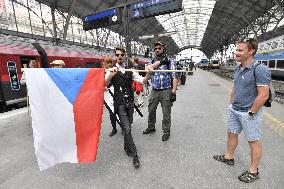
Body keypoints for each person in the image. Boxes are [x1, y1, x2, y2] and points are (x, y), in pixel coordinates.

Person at [213, 38, 271, 183]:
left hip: (248, 112)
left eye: (240, 50)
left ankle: (254, 171)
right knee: (232, 133)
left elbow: (264, 94)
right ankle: (229, 157)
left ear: (251, 51)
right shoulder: (239, 68)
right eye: (236, 50)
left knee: (253, 141)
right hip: (235, 109)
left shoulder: (260, 69)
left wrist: (252, 112)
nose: (236, 53)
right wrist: (231, 104)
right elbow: (235, 87)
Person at [105, 47, 152, 168]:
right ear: (115, 56)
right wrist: (111, 75)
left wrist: (149, 73)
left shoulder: (130, 70)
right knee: (128, 129)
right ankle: (135, 155)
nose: (119, 56)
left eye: (121, 54)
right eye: (117, 55)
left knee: (128, 127)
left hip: (130, 103)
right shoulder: (111, 70)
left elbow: (143, 80)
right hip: (120, 104)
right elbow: (102, 84)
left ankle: (126, 147)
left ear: (125, 56)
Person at [142, 41, 179, 141]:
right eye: (156, 49)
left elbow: (175, 75)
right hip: (154, 90)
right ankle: (151, 127)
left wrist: (174, 91)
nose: (157, 50)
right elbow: (147, 73)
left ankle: (166, 131)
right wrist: (152, 68)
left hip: (166, 90)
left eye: (159, 48)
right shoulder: (151, 61)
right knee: (151, 110)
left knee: (166, 113)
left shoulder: (170, 61)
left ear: (163, 49)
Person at [102, 56, 119, 137]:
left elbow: (114, 82)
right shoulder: (101, 72)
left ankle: (123, 127)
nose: (109, 64)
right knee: (111, 113)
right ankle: (114, 128)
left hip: (114, 94)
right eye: (107, 62)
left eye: (110, 62)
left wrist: (107, 86)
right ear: (103, 63)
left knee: (119, 112)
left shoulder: (113, 71)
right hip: (107, 96)